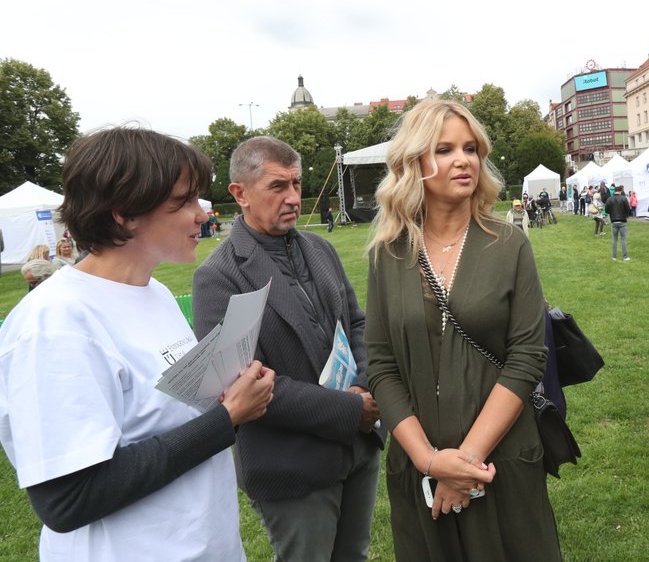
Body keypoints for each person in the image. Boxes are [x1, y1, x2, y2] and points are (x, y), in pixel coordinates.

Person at [0, 126, 275, 561]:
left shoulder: (156, 293)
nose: (202, 214)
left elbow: (166, 413)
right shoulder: (56, 323)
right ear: (125, 213)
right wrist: (227, 418)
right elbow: (68, 499)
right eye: (183, 201)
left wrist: (227, 389)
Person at [365, 99, 561, 561]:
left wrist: (465, 464)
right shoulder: (387, 254)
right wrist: (431, 462)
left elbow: (527, 356)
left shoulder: (508, 243)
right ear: (414, 162)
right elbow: (380, 363)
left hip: (500, 462)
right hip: (417, 465)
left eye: (470, 149)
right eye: (445, 149)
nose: (463, 160)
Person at [193, 136, 383, 562]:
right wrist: (351, 410)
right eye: (278, 186)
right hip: (291, 466)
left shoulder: (321, 248)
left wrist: (364, 385)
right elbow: (241, 384)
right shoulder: (218, 276)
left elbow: (356, 323)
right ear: (239, 194)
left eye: (297, 184)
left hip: (357, 448)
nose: (294, 197)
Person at [605, 185, 631, 261]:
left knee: (614, 239)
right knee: (623, 239)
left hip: (613, 221)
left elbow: (606, 210)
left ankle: (614, 256)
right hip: (622, 221)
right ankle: (625, 256)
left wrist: (612, 213)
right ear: (620, 191)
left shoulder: (609, 199)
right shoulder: (623, 198)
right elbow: (628, 209)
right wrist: (626, 215)